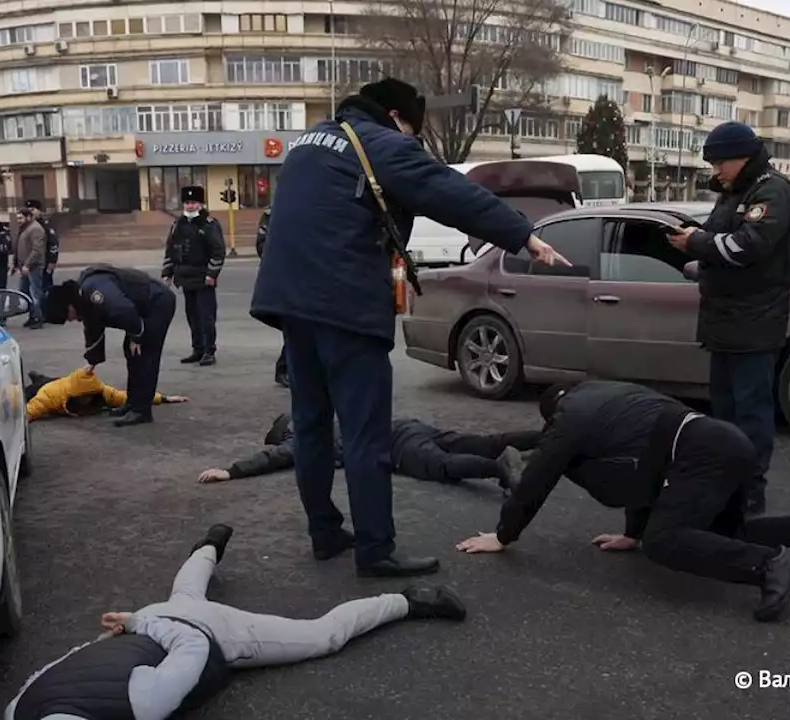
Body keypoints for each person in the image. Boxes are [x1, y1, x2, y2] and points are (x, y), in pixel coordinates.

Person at [250, 77, 569, 579]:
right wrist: (522, 234)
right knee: (364, 434)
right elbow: (451, 192)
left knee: (311, 427)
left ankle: (325, 533)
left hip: (290, 306)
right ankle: (377, 550)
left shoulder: (309, 143)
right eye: (413, 131)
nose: (413, 141)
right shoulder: (381, 143)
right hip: (346, 308)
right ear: (397, 116)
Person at [456, 381, 790, 623]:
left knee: (665, 542)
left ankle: (770, 565)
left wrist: (503, 535)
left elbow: (538, 476)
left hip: (698, 455)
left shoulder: (568, 420)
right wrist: (633, 532)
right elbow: (644, 459)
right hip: (727, 442)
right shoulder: (611, 394)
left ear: (552, 413)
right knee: (719, 534)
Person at [5, 523, 466, 720]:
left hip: (207, 634)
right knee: (185, 592)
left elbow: (196, 650)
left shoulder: (143, 704)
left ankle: (407, 600)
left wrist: (143, 626)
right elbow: (79, 655)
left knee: (321, 635)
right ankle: (209, 543)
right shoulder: (18, 707)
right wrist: (137, 621)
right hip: (153, 618)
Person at [665, 121, 790, 516]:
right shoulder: (734, 193)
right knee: (724, 414)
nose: (715, 172)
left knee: (751, 415)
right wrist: (691, 241)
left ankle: (750, 491)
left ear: (741, 156)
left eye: (719, 163)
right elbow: (716, 238)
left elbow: (748, 247)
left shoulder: (771, 191)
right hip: (724, 320)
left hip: (754, 323)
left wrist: (696, 242)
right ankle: (724, 483)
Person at [197, 412, 539, 494]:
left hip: (393, 444)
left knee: (443, 466)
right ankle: (548, 436)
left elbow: (276, 457)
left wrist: (233, 471)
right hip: (403, 425)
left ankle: (499, 468)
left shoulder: (304, 436)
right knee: (478, 440)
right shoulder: (321, 414)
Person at [42, 265, 178, 427]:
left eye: (68, 316)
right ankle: (132, 403)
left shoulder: (95, 291)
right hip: (140, 312)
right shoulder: (84, 299)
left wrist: (137, 337)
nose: (71, 320)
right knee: (131, 353)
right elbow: (94, 330)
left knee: (144, 356)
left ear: (68, 304)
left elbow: (124, 310)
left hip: (157, 303)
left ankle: (141, 411)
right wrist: (92, 361)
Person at [160, 186, 226, 367]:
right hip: (185, 278)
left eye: (194, 203)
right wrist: (167, 274)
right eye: (187, 203)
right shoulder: (177, 224)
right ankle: (197, 349)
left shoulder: (209, 224)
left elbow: (218, 251)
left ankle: (209, 351)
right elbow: (170, 250)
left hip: (204, 278)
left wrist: (212, 274)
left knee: (206, 317)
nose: (190, 206)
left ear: (201, 204)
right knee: (192, 316)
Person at [24, 368, 187, 422]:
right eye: (84, 397)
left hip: (63, 382)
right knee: (26, 392)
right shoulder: (50, 395)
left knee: (53, 380)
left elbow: (126, 397)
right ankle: (37, 379)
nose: (88, 400)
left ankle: (39, 377)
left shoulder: (102, 391)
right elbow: (32, 409)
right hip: (47, 387)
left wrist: (164, 398)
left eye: (90, 396)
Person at [256, 207, 287, 388]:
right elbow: (262, 244)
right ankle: (283, 370)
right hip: (285, 273)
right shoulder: (273, 213)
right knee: (296, 326)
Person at [13, 207, 48, 330]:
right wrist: (16, 264)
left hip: (33, 266)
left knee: (35, 293)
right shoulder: (25, 228)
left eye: (21, 218)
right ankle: (32, 316)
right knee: (24, 292)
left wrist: (27, 264)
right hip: (24, 267)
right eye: (17, 218)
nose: (19, 220)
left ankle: (39, 317)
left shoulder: (35, 229)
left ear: (29, 217)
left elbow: (37, 250)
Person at [26, 200, 60, 289]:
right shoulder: (25, 226)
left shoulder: (46, 226)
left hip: (44, 263)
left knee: (44, 288)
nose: (30, 212)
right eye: (28, 210)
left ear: (39, 211)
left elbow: (53, 244)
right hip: (29, 264)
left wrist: (52, 262)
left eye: (33, 210)